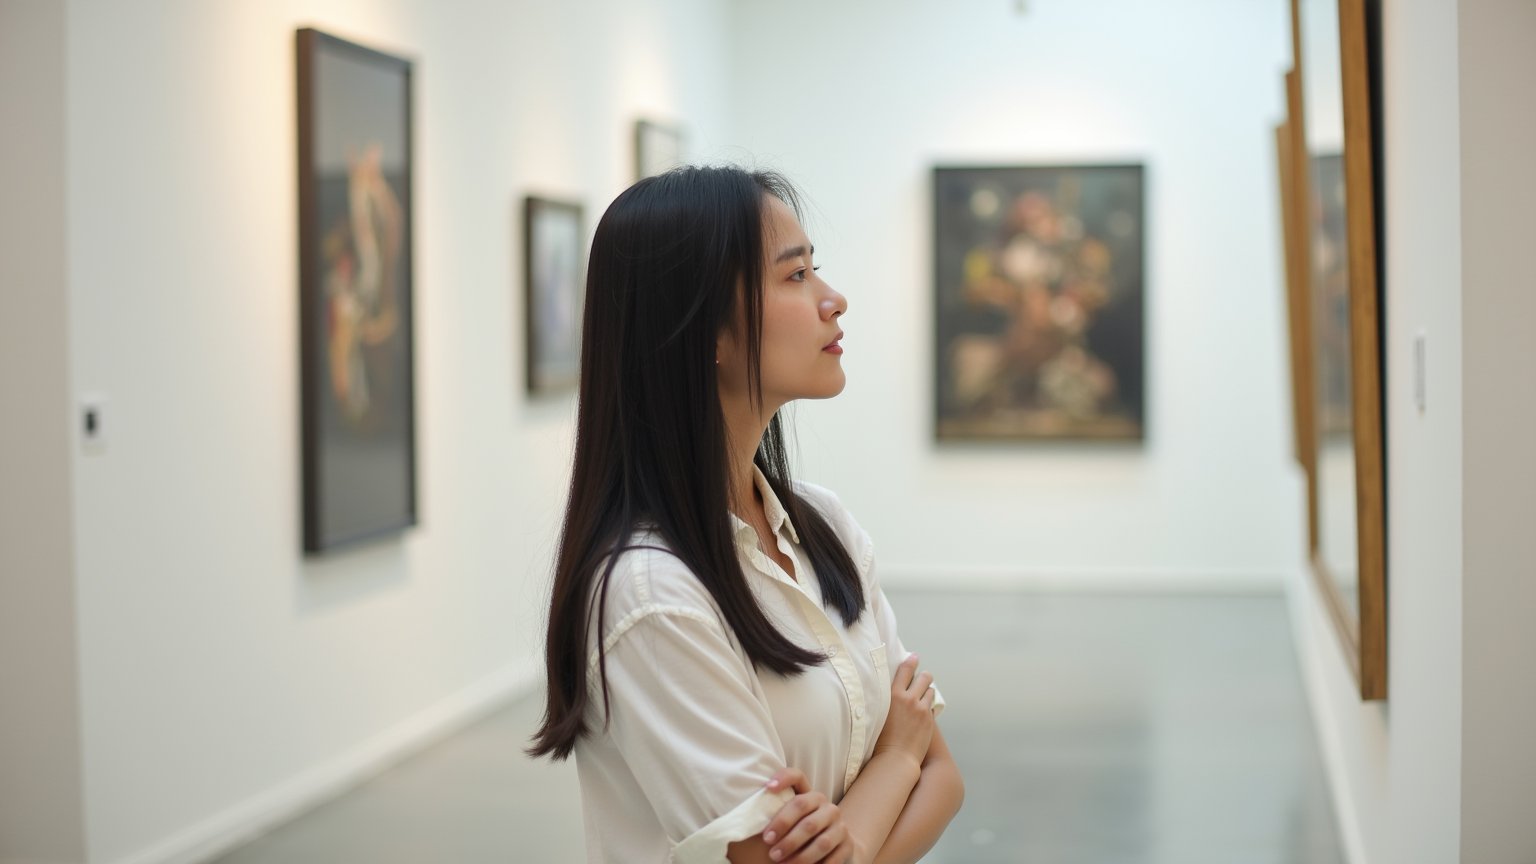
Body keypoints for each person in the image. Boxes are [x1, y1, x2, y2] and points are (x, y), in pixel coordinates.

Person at [528, 166, 964, 863]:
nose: (834, 299)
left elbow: (947, 778)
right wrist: (899, 757)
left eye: (814, 270)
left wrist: (861, 825)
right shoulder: (649, 596)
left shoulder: (824, 527)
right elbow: (920, 759)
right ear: (704, 330)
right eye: (795, 277)